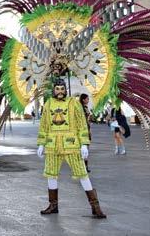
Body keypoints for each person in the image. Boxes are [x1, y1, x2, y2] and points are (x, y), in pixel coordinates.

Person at [37, 78, 106, 218]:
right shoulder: (48, 104)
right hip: (52, 145)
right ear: (53, 90)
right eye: (57, 89)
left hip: (72, 145)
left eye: (62, 89)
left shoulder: (74, 103)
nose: (60, 91)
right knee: (51, 174)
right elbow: (44, 125)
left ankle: (95, 206)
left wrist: (84, 144)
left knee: (82, 173)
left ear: (66, 90)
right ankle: (53, 205)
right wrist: (41, 143)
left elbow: (82, 124)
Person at [79, 93, 92, 172]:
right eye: (87, 99)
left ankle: (85, 166)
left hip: (87, 128)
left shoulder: (86, 107)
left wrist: (90, 130)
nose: (88, 100)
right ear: (83, 100)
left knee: (87, 148)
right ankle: (83, 167)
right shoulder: (80, 108)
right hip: (83, 129)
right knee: (83, 148)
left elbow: (88, 119)